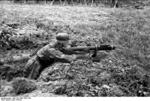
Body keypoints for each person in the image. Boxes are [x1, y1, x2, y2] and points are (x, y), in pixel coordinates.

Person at [24, 33, 90, 80]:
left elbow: (68, 49)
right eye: (66, 41)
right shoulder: (51, 49)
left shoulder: (59, 43)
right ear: (62, 42)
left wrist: (84, 50)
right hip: (36, 63)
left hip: (46, 61)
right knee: (30, 80)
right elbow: (64, 57)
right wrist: (81, 56)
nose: (67, 43)